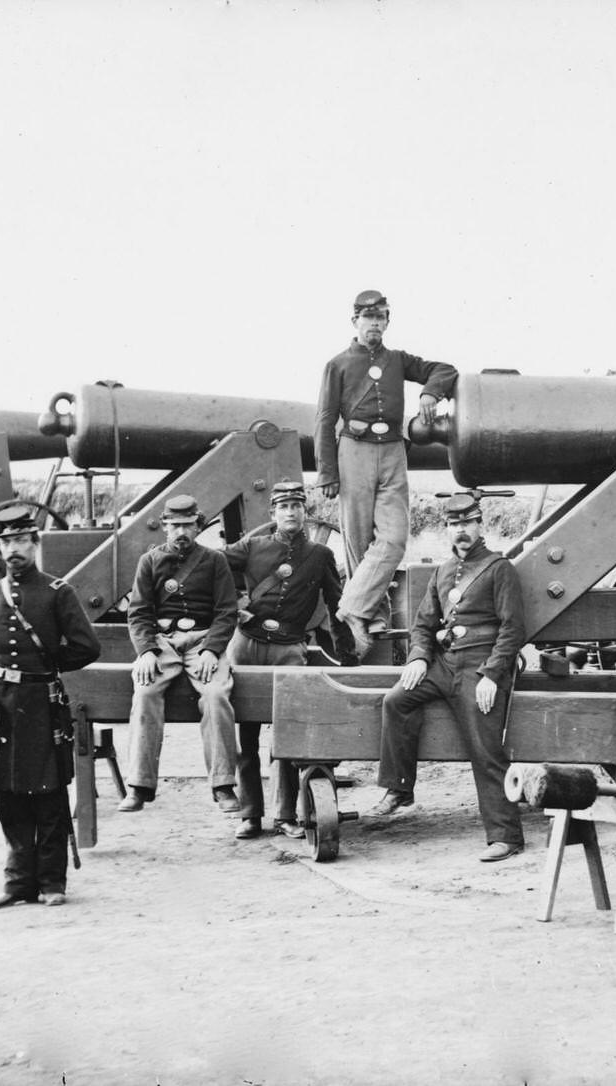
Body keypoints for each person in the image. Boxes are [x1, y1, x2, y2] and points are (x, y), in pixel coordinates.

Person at [368, 490, 527, 862]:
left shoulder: (498, 568)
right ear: (448, 529)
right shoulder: (441, 572)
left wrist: (491, 674)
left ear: (479, 524)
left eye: (467, 523)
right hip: (443, 664)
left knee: (484, 747)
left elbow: (512, 629)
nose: (461, 530)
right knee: (397, 700)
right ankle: (400, 788)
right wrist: (420, 658)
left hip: (481, 665)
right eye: (454, 524)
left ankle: (506, 835)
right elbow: (422, 625)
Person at [0, 505, 102, 908]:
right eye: (5, 542)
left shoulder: (58, 592)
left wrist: (48, 665)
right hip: (1, 708)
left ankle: (52, 881)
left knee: (49, 795)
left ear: (35, 543)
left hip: (43, 705)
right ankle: (18, 883)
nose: (13, 550)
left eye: (21, 540)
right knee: (8, 796)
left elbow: (86, 647)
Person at [315, 289, 459, 657]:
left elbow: (444, 370)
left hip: (394, 450)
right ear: (355, 322)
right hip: (354, 451)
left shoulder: (397, 360)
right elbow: (325, 419)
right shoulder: (338, 364)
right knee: (358, 543)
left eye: (380, 318)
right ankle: (373, 619)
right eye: (368, 317)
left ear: (387, 323)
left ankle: (350, 607)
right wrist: (327, 472)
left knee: (394, 539)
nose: (374, 324)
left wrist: (430, 393)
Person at [221, 479, 356, 840]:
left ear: (305, 512)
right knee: (245, 732)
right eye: (284, 507)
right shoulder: (252, 546)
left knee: (289, 731)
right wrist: (235, 606)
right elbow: (213, 567)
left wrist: (347, 656)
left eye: (297, 506)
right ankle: (250, 814)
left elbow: (335, 605)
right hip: (246, 645)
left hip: (289, 649)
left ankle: (285, 816)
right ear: (273, 514)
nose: (291, 512)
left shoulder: (320, 556)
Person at [119, 494, 240, 815]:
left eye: (188, 525)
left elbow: (227, 611)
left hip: (203, 641)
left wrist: (213, 650)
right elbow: (139, 612)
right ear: (165, 528)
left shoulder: (215, 561)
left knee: (216, 695)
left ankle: (223, 785)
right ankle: (139, 785)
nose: (181, 532)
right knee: (144, 693)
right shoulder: (150, 561)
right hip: (162, 641)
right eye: (175, 526)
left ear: (198, 525)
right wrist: (145, 651)